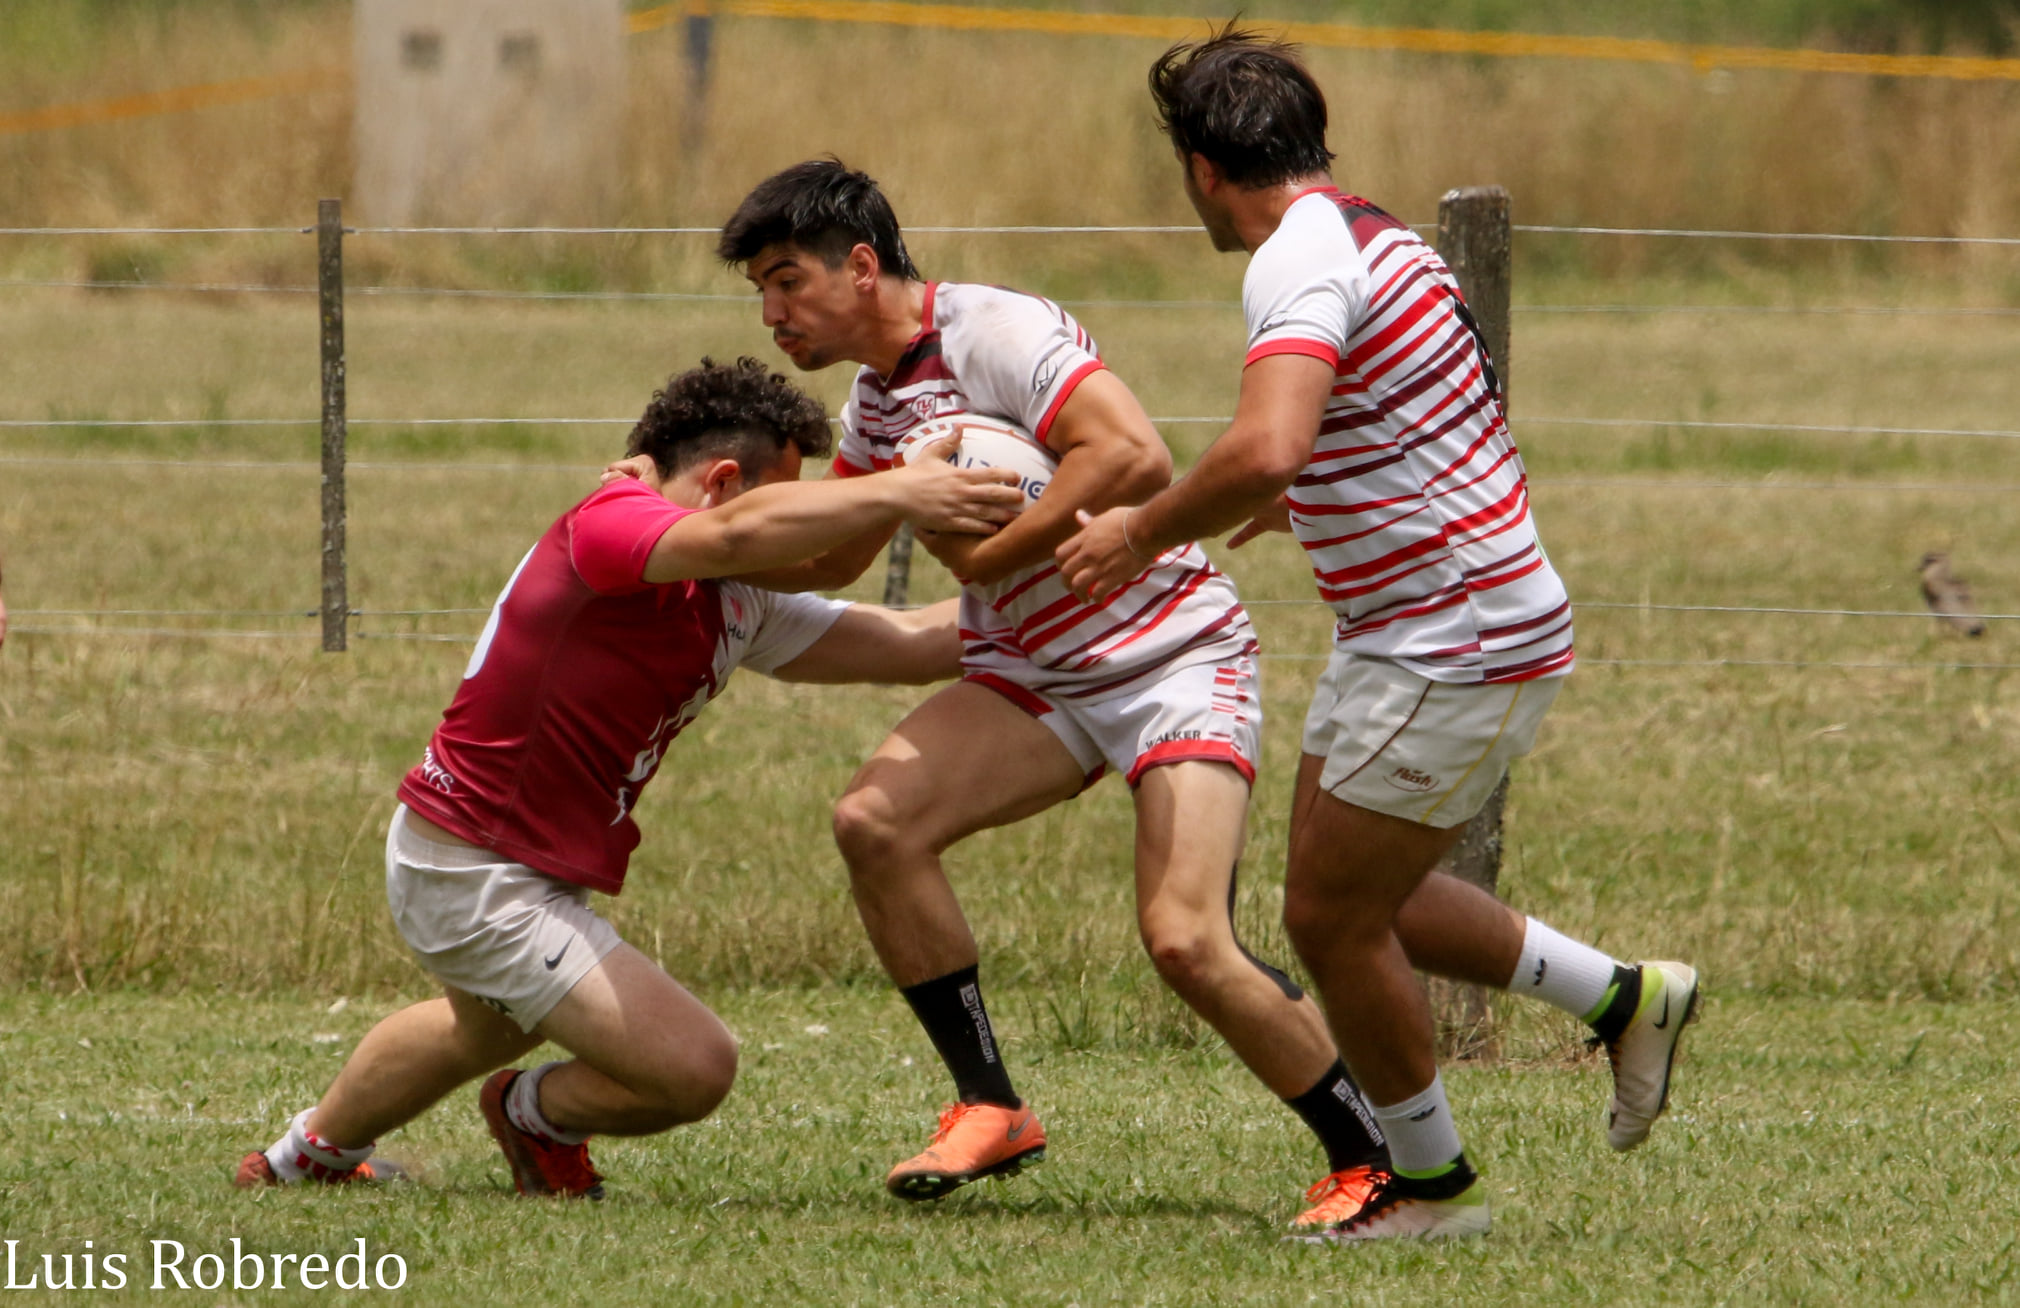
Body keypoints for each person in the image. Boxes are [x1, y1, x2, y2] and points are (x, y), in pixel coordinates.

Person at [1057, 27, 1701, 1241]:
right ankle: (1625, 1000)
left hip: (1444, 638)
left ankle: (1433, 1190)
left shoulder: (1291, 262)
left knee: (1327, 917)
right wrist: (1287, 503)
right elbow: (1396, 419)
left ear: (1201, 169)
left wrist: (1142, 529)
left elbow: (1270, 441)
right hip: (1450, 622)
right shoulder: (1372, 231)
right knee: (1371, 893)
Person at [705, 158, 1398, 1226]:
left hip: (1172, 659)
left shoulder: (991, 329)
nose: (771, 311)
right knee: (874, 822)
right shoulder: (876, 405)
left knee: (1184, 940)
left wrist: (993, 559)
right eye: (759, 289)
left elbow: (1133, 456)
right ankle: (989, 1106)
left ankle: (1371, 1161)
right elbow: (837, 561)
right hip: (1037, 675)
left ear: (858, 265)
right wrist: (692, 555)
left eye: (786, 280)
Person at [233, 357, 1025, 1198]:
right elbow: (731, 537)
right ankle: (532, 1116)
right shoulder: (611, 517)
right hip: (474, 873)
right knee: (695, 1067)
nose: (802, 533)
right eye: (785, 503)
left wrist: (1077, 584)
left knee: (483, 1028)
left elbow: (909, 644)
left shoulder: (730, 594)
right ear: (724, 483)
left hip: (491, 866)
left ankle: (297, 1161)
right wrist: (902, 492)